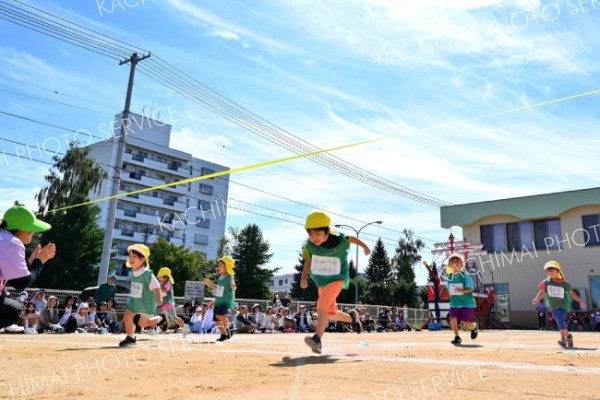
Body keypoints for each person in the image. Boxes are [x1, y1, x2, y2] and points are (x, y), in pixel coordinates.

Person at [300, 210, 369, 353]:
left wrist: (365, 247)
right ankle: (352, 318)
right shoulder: (310, 246)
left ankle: (317, 339)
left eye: (318, 234)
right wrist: (304, 277)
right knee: (330, 312)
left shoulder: (339, 240)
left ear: (327, 232)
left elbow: (351, 238)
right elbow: (308, 260)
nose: (314, 238)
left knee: (322, 305)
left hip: (337, 278)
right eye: (311, 234)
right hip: (321, 281)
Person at [0, 204, 56, 330]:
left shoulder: (3, 237)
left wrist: (30, 263)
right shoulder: (12, 243)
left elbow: (13, 278)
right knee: (13, 310)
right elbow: (21, 284)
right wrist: (39, 261)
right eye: (32, 230)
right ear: (25, 230)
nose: (34, 233)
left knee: (4, 297)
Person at [532, 261, 585, 348]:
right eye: (548, 271)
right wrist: (536, 299)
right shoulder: (546, 282)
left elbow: (572, 293)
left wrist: (580, 301)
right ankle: (568, 336)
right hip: (553, 306)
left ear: (558, 271)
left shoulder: (565, 283)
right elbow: (542, 292)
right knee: (560, 323)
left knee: (560, 321)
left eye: (552, 270)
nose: (550, 272)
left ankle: (563, 340)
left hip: (563, 305)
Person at [119, 244, 163, 347]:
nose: (131, 259)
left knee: (142, 324)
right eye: (130, 256)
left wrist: (159, 297)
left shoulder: (147, 274)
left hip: (146, 303)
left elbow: (157, 286)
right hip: (135, 301)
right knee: (127, 316)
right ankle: (130, 338)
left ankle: (160, 319)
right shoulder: (134, 271)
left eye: (134, 256)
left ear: (143, 259)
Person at [446, 253, 478, 345]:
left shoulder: (465, 276)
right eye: (452, 261)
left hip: (467, 303)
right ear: (449, 265)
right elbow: (450, 291)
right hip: (455, 303)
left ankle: (474, 327)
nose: (455, 263)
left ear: (461, 264)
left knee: (465, 323)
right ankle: (457, 337)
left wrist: (462, 290)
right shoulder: (449, 277)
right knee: (453, 319)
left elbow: (471, 288)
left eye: (457, 261)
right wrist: (451, 298)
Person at [203, 256, 236, 342]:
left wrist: (233, 286)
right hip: (219, 301)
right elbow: (218, 289)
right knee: (216, 320)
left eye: (221, 265)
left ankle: (230, 326)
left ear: (227, 266)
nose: (218, 267)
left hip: (225, 301)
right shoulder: (221, 277)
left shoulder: (230, 276)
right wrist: (209, 284)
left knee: (219, 315)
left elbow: (233, 284)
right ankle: (224, 334)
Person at [156, 267, 186, 334]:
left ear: (165, 277)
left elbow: (164, 290)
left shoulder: (168, 283)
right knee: (155, 313)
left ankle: (184, 328)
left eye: (159, 277)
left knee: (174, 318)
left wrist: (156, 288)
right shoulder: (161, 284)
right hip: (162, 304)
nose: (158, 278)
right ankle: (157, 327)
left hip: (168, 304)